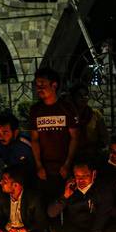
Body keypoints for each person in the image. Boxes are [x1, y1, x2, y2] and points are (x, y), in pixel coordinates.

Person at [49, 160, 116, 232]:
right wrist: (65, 197)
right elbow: (51, 213)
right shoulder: (69, 188)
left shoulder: (102, 190)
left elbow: (101, 220)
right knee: (54, 230)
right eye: (77, 176)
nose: (81, 180)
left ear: (94, 174)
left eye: (85, 175)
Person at [28, 67, 81, 201]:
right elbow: (34, 140)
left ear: (54, 85)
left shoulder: (67, 108)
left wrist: (67, 164)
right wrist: (39, 165)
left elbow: (75, 137)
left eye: (43, 84)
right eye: (37, 85)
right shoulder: (35, 110)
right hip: (44, 170)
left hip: (64, 168)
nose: (39, 88)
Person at [0, 111, 35, 179]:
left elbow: (35, 167)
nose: (0, 136)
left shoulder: (26, 144)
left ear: (15, 132)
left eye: (5, 133)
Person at [70, 83, 109, 159]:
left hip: (92, 156)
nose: (83, 98)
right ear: (73, 97)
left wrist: (94, 148)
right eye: (79, 95)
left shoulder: (95, 115)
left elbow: (104, 137)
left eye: (85, 95)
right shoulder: (68, 115)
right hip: (73, 156)